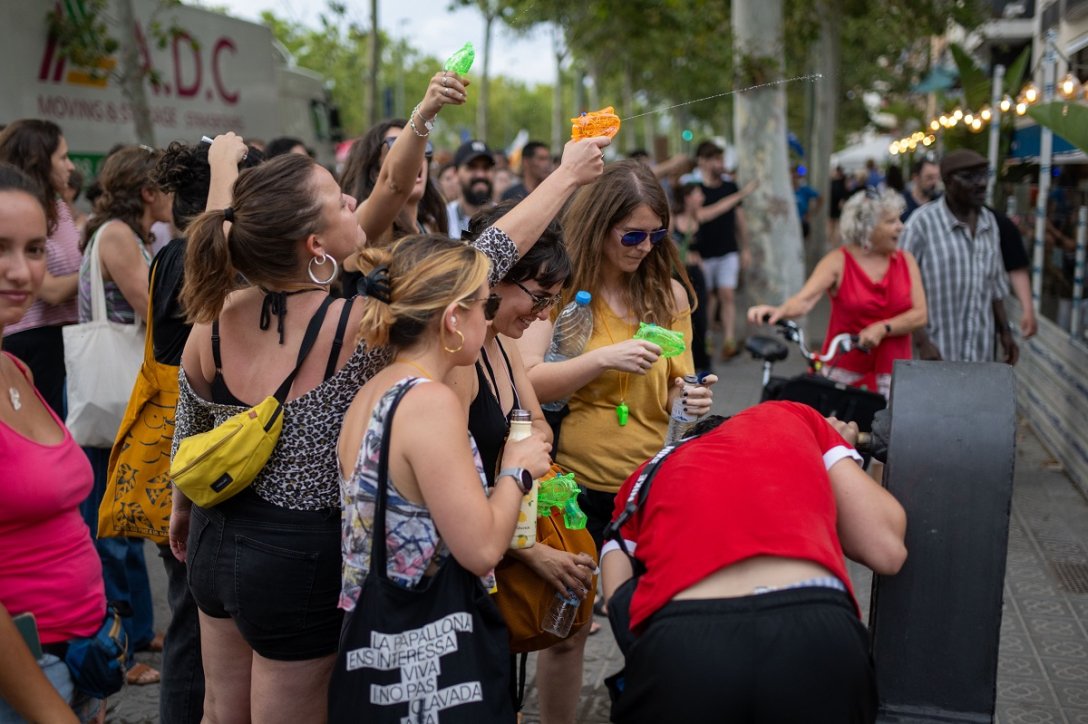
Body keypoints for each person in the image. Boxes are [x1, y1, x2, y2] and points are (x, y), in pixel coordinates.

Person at [170, 137, 611, 723]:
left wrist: (181, 513)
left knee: (220, 710)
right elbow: (478, 263)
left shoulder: (213, 321)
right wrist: (564, 179)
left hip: (212, 537)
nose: (355, 199)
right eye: (339, 201)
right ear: (315, 246)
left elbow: (190, 433)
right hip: (297, 562)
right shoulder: (353, 328)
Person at [334, 235, 552, 719]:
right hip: (429, 651)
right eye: (485, 303)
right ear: (453, 317)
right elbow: (478, 550)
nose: (490, 317)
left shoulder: (376, 388)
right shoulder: (429, 402)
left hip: (374, 634)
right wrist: (516, 470)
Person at [600, 403, 908, 723]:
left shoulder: (644, 477)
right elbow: (886, 549)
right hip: (816, 631)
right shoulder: (791, 416)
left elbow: (619, 604)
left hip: (684, 643)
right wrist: (835, 447)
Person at [519, 160, 718, 553]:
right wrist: (603, 359)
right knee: (574, 602)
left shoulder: (669, 295)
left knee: (641, 604)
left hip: (647, 481)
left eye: (656, 235)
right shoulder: (561, 292)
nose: (645, 247)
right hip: (573, 486)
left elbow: (675, 389)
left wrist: (690, 398)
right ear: (598, 227)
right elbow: (527, 382)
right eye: (632, 236)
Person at [450, 203, 596, 724]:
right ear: (494, 279)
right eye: (537, 299)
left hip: (502, 537)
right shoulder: (456, 358)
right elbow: (452, 485)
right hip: (470, 560)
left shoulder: (504, 346)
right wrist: (528, 551)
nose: (540, 317)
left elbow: (541, 429)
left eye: (551, 304)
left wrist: (519, 457)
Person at [140, 134, 264, 724]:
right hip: (189, 461)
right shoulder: (183, 259)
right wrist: (225, 169)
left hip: (203, 461)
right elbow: (208, 279)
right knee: (191, 631)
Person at [0, 162, 108, 722]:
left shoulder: (15, 368)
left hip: (78, 663)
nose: (20, 271)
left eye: (36, 248)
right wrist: (50, 710)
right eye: (0, 247)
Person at [79, 144, 174, 687]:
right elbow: (150, 304)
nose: (169, 197)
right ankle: (118, 650)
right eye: (163, 186)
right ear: (146, 192)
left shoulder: (130, 234)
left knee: (130, 509)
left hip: (123, 388)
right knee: (113, 525)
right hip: (114, 388)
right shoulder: (117, 235)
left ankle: (138, 630)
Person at [747, 189, 927, 400]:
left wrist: (883, 328)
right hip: (845, 372)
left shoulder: (906, 261)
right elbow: (804, 300)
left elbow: (920, 315)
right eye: (891, 221)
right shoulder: (838, 261)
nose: (901, 226)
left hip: (896, 372)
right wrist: (779, 311)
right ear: (866, 227)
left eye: (899, 219)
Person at [899, 149, 1017, 364]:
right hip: (935, 354)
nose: (981, 183)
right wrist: (922, 342)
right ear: (948, 182)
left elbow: (995, 288)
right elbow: (900, 288)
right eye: (970, 177)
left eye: (984, 175)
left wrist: (1005, 333)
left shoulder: (989, 223)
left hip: (979, 356)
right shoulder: (921, 224)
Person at [0, 119, 80, 417]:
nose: (70, 167)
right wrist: (99, 268)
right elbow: (52, 290)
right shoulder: (20, 212)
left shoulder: (59, 209)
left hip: (69, 340)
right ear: (38, 159)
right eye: (62, 157)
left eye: (34, 249)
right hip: (31, 342)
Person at [672, 179, 757, 376]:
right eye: (698, 194)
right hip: (678, 276)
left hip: (696, 274)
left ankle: (702, 362)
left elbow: (722, 206)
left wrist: (743, 193)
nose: (702, 197)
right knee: (681, 317)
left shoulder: (699, 216)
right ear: (687, 198)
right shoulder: (672, 218)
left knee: (699, 317)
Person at [691, 140, 749, 361]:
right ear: (703, 162)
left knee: (727, 294)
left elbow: (740, 221)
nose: (721, 164)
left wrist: (745, 249)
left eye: (722, 159)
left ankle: (729, 341)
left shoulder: (730, 186)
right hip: (703, 254)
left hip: (728, 251)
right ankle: (706, 338)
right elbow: (698, 216)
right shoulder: (695, 188)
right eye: (716, 159)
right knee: (708, 298)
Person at [446, 139, 495, 237]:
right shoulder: (444, 218)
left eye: (486, 168)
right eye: (472, 167)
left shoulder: (506, 217)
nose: (480, 175)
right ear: (455, 173)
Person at [900, 157, 940, 222]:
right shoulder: (902, 203)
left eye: (937, 177)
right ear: (916, 178)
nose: (934, 182)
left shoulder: (940, 202)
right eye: (929, 177)